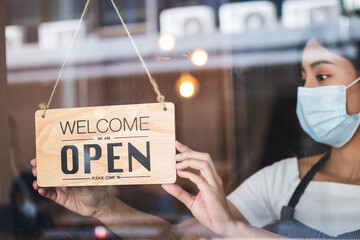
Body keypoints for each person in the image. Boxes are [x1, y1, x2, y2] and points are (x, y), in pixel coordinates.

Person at [31, 33, 360, 238]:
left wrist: (235, 230)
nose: (306, 91)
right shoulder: (280, 180)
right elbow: (182, 239)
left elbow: (225, 230)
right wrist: (104, 208)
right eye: (303, 77)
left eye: (322, 75)